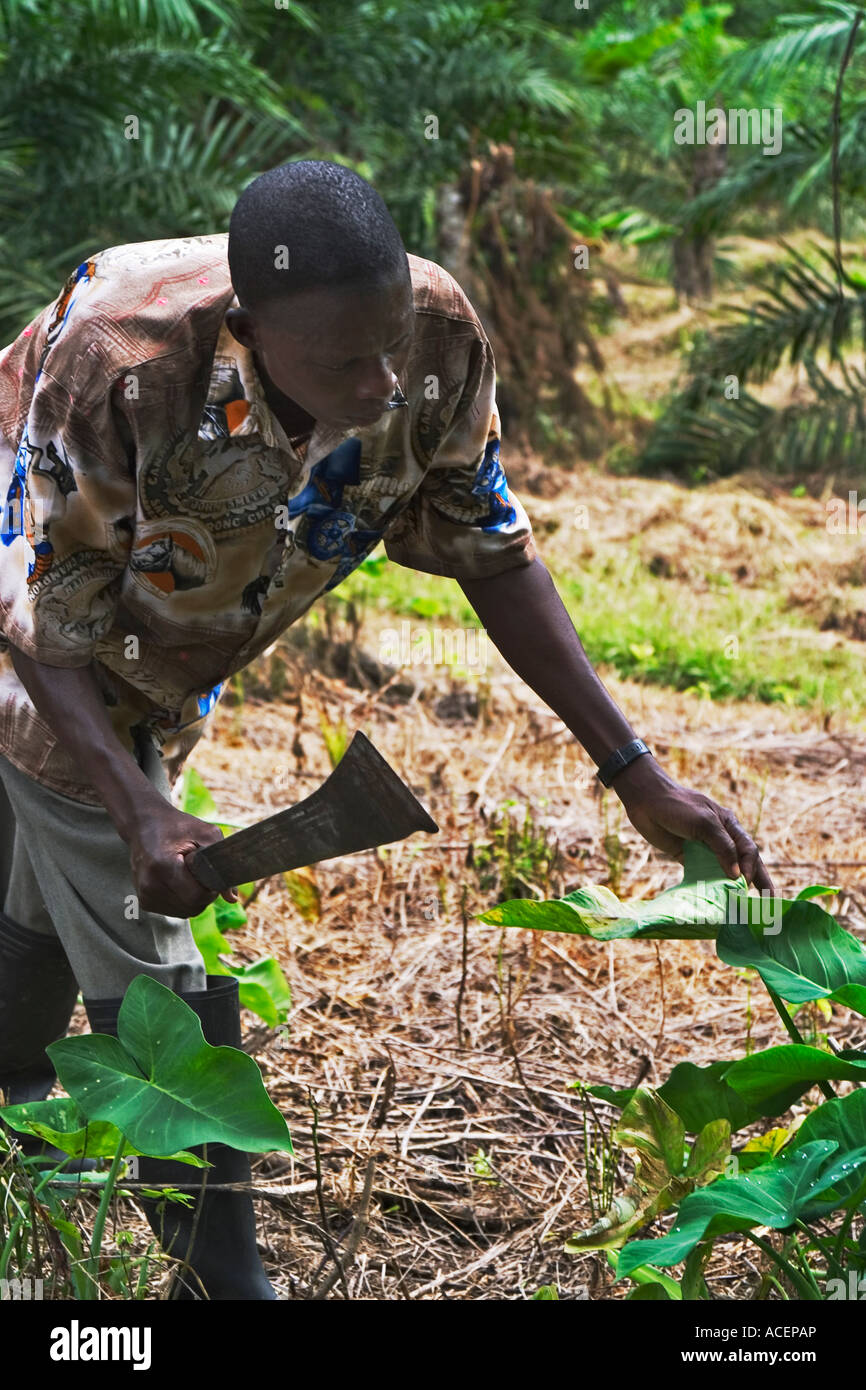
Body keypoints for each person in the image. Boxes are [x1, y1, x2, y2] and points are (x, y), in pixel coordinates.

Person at [0, 159, 771, 1300]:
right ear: (252, 331)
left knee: (41, 890)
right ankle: (224, 1291)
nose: (379, 381)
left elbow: (490, 549)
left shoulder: (437, 336)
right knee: (130, 909)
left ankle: (15, 1100)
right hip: (36, 595)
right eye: (341, 361)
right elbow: (44, 605)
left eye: (387, 343)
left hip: (172, 632)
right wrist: (139, 802)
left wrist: (633, 772)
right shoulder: (123, 360)